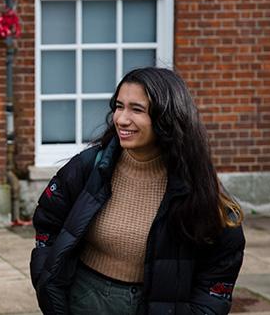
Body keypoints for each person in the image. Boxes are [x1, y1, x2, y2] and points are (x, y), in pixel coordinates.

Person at [29, 67, 246, 314]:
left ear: (167, 116)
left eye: (137, 109)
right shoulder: (87, 167)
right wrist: (51, 289)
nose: (121, 119)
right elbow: (48, 225)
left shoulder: (199, 186)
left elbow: (220, 268)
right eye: (119, 106)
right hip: (84, 299)